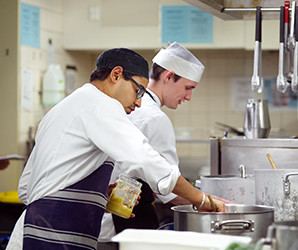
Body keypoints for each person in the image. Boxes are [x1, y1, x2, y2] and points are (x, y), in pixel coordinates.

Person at [7, 47, 226, 250]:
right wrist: (202, 200)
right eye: (138, 91)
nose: (139, 102)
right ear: (116, 75)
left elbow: (27, 189)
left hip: (28, 233)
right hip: (54, 237)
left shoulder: (64, 107)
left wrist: (98, 195)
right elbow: (147, 162)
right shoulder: (102, 104)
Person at [99, 42, 226, 240]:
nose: (189, 97)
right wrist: (208, 201)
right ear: (168, 76)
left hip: (103, 219)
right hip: (124, 221)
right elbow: (167, 186)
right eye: (188, 87)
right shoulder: (154, 117)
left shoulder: (127, 106)